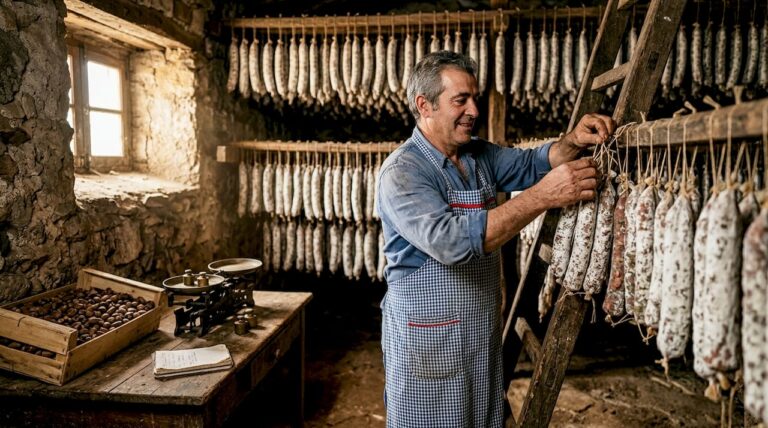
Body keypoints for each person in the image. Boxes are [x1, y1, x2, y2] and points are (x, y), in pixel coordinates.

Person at [376, 51, 615, 427]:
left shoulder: (477, 155)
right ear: (424, 105)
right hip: (428, 346)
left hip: (479, 337)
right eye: (460, 100)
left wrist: (572, 141)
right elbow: (452, 242)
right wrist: (543, 197)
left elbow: (533, 163)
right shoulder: (403, 172)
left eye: (475, 98)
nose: (474, 110)